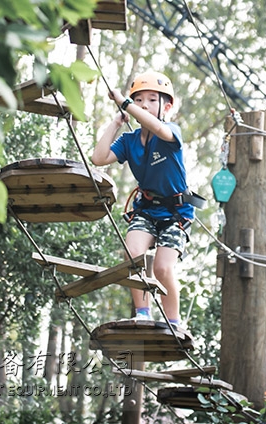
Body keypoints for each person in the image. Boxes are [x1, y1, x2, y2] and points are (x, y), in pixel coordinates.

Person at [91, 70, 197, 327]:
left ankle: (173, 321)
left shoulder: (170, 132)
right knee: (132, 253)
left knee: (162, 267)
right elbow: (99, 158)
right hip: (146, 210)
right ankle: (143, 312)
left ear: (167, 106)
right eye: (139, 100)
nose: (144, 105)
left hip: (176, 213)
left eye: (152, 99)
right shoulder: (129, 141)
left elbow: (158, 127)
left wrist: (125, 102)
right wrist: (116, 122)